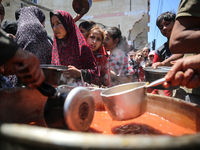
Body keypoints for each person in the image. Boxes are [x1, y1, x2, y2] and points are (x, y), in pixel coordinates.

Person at [163, 0, 200, 104]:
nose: (164, 28)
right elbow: (177, 45)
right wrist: (163, 63)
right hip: (191, 87)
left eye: (167, 24)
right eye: (161, 27)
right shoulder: (161, 48)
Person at [50, 10, 99, 86]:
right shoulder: (56, 48)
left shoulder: (82, 47)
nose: (54, 28)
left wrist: (79, 73)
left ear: (67, 24)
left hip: (79, 94)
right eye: (52, 25)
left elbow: (96, 75)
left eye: (58, 23)